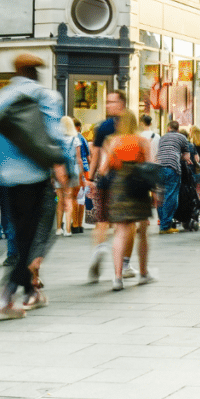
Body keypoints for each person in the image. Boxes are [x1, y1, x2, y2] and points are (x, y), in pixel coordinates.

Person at [0, 54, 69, 319]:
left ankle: (31, 292)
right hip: (36, 178)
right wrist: (66, 169)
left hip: (6, 180)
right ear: (35, 71)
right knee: (39, 237)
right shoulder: (47, 97)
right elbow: (54, 135)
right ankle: (5, 296)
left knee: (19, 238)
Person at [105, 110, 155, 290]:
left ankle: (117, 277)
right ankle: (143, 274)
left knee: (120, 231)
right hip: (138, 186)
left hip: (119, 186)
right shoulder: (143, 141)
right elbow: (149, 165)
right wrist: (155, 193)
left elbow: (105, 168)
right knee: (142, 230)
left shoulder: (113, 142)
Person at [87, 91, 125, 282]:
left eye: (112, 102)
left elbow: (95, 155)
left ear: (122, 103)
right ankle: (124, 264)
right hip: (123, 180)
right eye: (107, 102)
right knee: (121, 224)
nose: (109, 105)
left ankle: (99, 248)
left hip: (105, 177)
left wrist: (90, 178)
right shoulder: (130, 124)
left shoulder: (102, 127)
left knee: (101, 219)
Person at [156, 120, 192, 234]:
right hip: (172, 168)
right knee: (171, 196)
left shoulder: (162, 138)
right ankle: (165, 226)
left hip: (159, 167)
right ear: (178, 128)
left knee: (161, 197)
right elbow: (187, 156)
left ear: (168, 128)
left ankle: (163, 223)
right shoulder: (182, 137)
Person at [53, 116, 84, 237]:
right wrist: (81, 174)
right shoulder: (75, 139)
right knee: (69, 199)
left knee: (60, 200)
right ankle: (68, 230)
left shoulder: (56, 140)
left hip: (59, 171)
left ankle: (58, 228)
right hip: (71, 171)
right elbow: (79, 159)